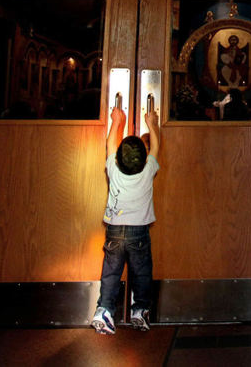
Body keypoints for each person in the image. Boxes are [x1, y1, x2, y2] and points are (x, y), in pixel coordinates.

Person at [90, 105, 161, 335]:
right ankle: (140, 310)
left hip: (114, 231)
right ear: (144, 159)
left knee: (111, 272)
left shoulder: (113, 168)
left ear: (118, 159)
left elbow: (110, 144)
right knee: (141, 272)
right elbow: (156, 148)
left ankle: (104, 310)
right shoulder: (148, 170)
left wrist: (117, 121)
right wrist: (152, 124)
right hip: (139, 232)